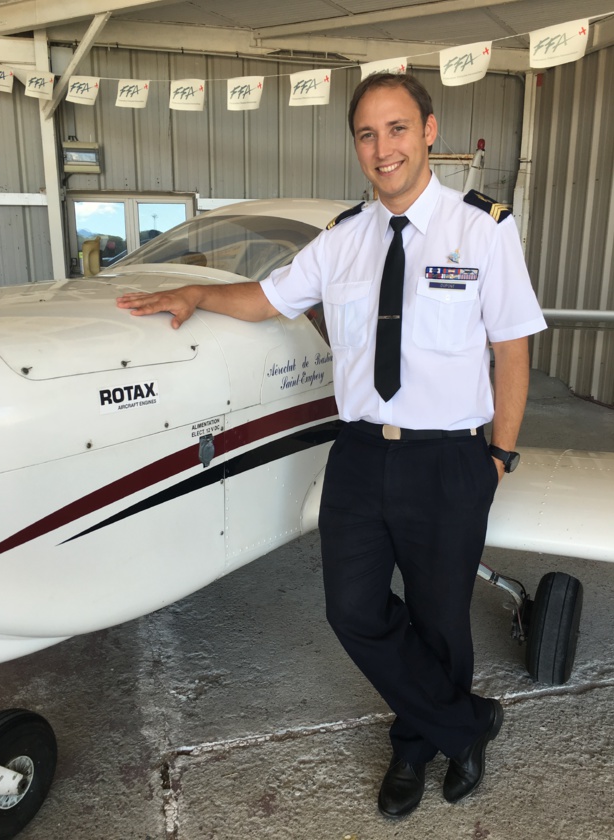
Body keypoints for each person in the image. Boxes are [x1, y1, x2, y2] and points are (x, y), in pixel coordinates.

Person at [116, 72, 546, 819]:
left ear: (430, 131)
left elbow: (512, 349)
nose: (383, 149)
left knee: (442, 619)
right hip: (358, 455)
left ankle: (416, 743)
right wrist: (197, 294)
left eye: (398, 129)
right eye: (368, 134)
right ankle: (466, 724)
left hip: (447, 458)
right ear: (357, 145)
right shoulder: (343, 238)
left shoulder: (484, 228)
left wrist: (499, 456)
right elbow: (268, 296)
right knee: (353, 611)